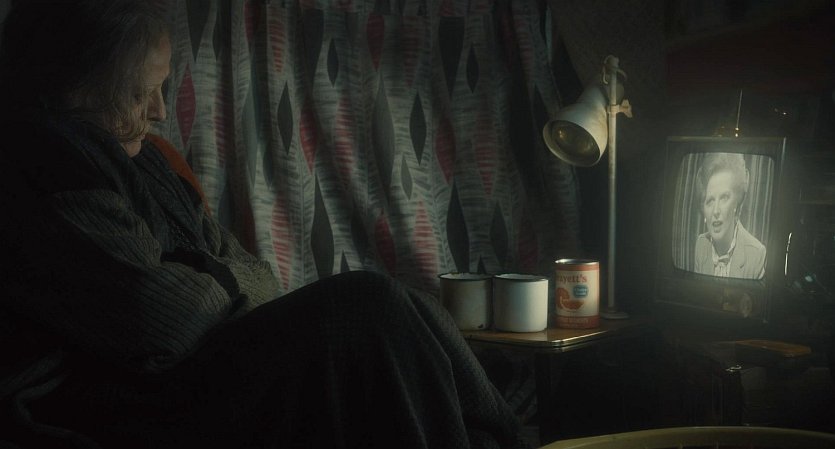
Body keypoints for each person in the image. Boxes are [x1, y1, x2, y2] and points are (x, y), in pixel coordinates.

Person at [0, 1, 528, 448]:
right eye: (141, 93)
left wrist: (200, 275)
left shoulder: (149, 163)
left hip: (200, 364)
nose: (160, 111)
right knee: (366, 305)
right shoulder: (40, 159)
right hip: (124, 401)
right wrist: (220, 284)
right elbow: (159, 319)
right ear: (80, 85)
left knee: (415, 308)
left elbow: (261, 279)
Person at [693, 152, 766, 279]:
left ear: (736, 203)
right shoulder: (701, 245)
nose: (716, 211)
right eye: (710, 200)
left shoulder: (756, 254)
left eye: (724, 197)